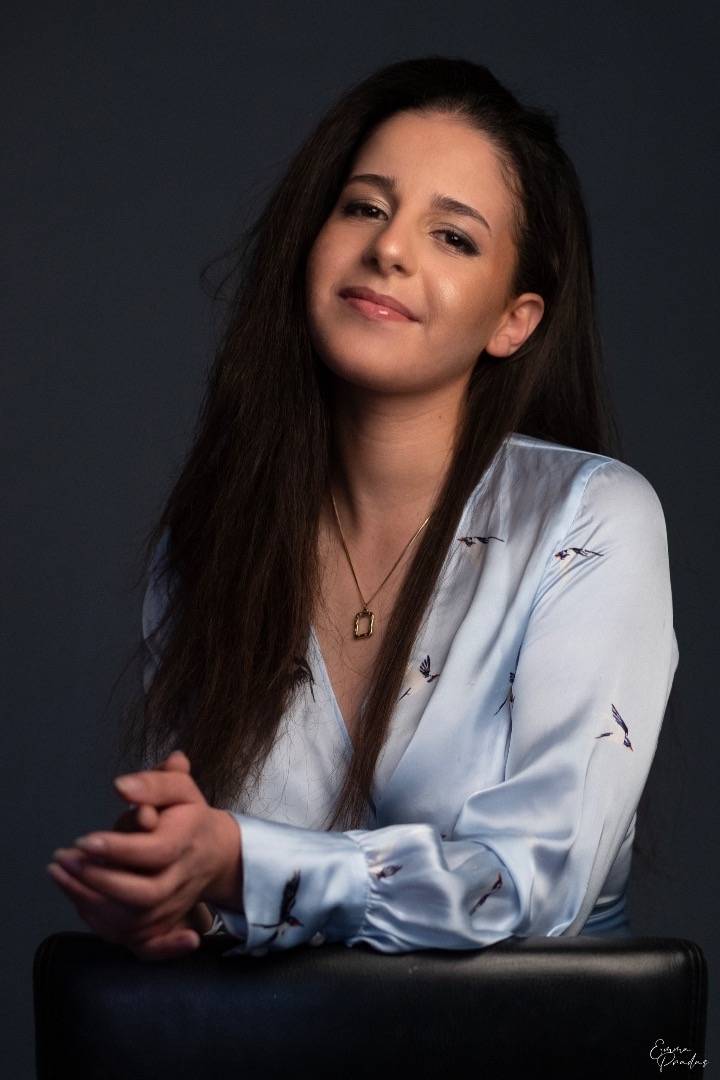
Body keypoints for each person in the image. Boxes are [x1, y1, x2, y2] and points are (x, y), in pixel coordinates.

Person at [48, 57, 677, 960]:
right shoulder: (212, 538)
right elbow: (215, 879)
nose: (389, 249)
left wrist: (245, 864)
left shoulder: (593, 520)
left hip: (529, 1035)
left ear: (515, 320)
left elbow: (535, 885)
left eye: (452, 236)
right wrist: (171, 902)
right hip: (279, 1035)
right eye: (364, 207)